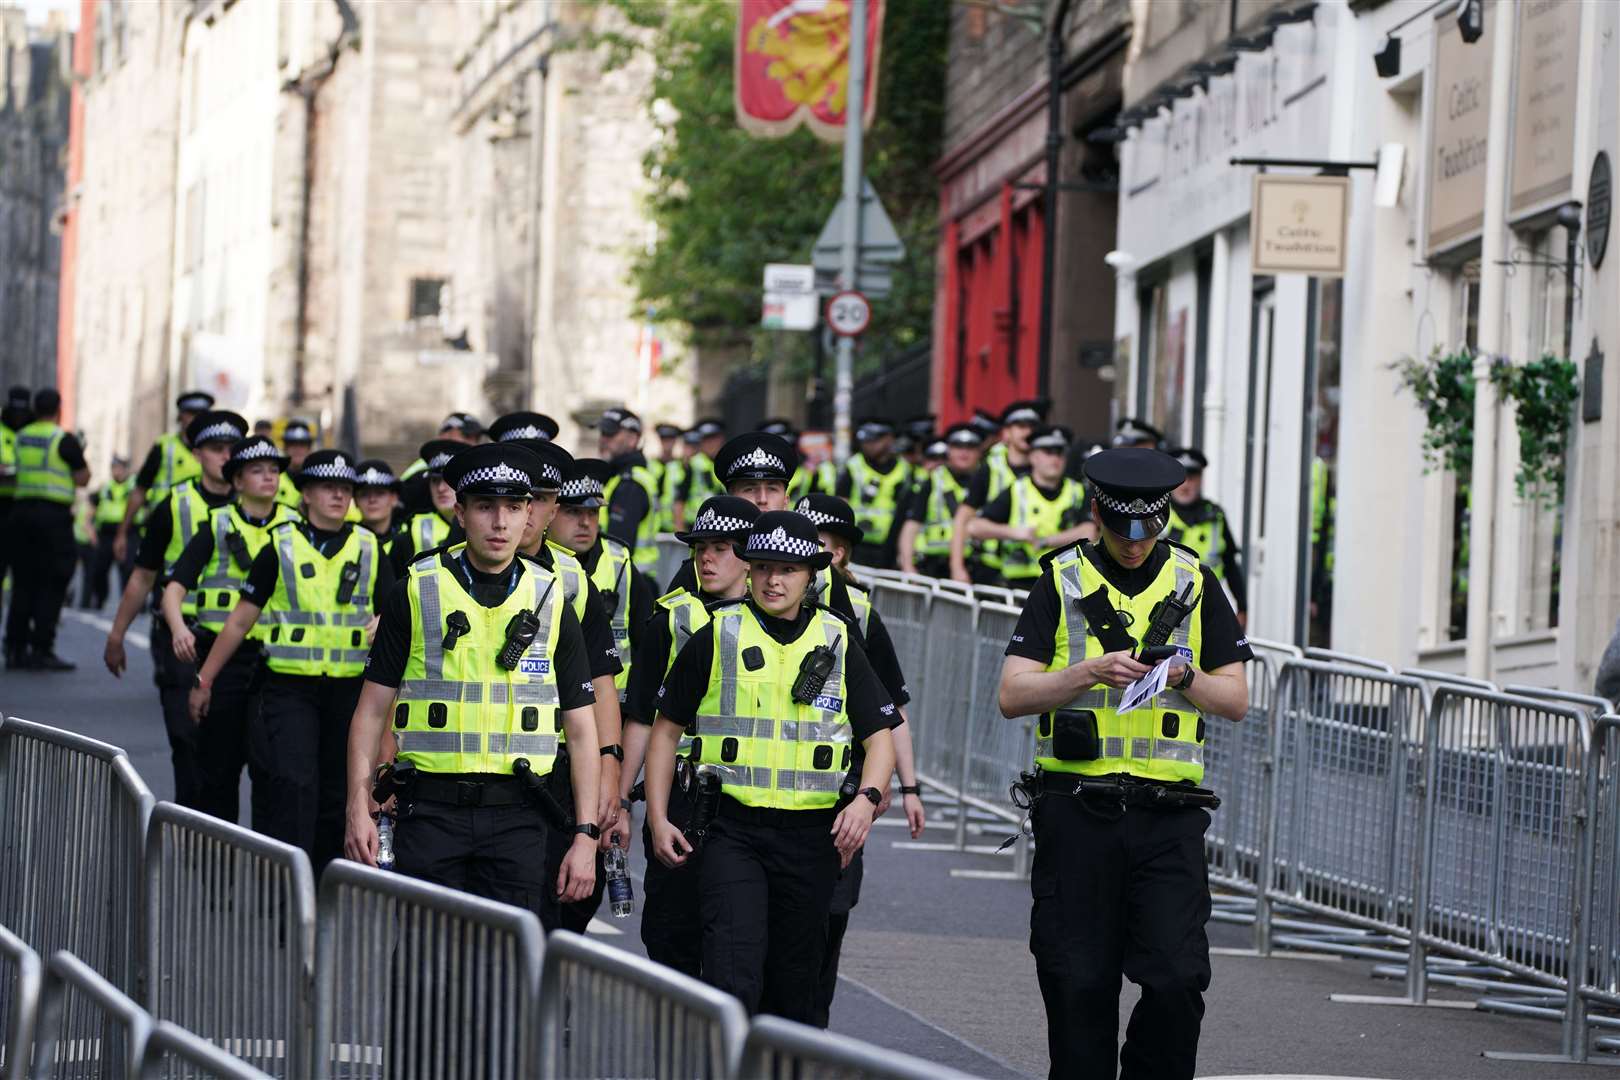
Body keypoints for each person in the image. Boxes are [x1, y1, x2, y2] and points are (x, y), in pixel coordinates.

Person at [996, 446, 1252, 1080]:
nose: (1135, 543)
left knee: (1176, 977)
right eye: (1121, 528)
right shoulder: (1060, 580)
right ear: (1096, 513)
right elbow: (1012, 695)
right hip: (1078, 812)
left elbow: (1237, 700)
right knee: (1077, 980)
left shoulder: (1195, 581)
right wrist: (1085, 673)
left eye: (1149, 527)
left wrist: (1186, 675)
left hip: (1169, 818)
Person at [645, 510, 897, 1024]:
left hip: (811, 839)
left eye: (786, 569)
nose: (773, 579)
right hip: (730, 831)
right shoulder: (718, 634)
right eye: (761, 567)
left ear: (811, 576)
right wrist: (656, 817)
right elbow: (665, 731)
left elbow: (880, 738)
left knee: (794, 988)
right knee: (732, 973)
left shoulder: (839, 638)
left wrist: (867, 802)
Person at [344, 442, 601, 929]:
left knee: (506, 974)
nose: (500, 522)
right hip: (430, 814)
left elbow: (582, 728)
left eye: (513, 507)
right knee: (425, 972)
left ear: (529, 513)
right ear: (460, 512)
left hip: (521, 816)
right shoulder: (417, 589)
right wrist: (358, 806)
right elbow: (370, 712)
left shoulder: (550, 598)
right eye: (485, 507)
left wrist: (586, 835)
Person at [188, 450, 394, 870]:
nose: (339, 496)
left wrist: (383, 619)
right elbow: (239, 622)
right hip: (288, 689)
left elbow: (396, 612)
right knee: (294, 786)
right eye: (327, 487)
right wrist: (204, 680)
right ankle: (290, 891)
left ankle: (325, 886)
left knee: (339, 792)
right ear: (306, 494)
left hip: (348, 691)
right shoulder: (280, 545)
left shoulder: (369, 547)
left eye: (345, 489)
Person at [794, 493, 926, 1027]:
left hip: (843, 791)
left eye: (822, 547)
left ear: (841, 554)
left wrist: (908, 786)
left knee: (828, 921)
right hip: (770, 794)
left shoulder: (860, 614)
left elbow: (890, 710)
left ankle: (810, 1036)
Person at [493, 431, 628, 930]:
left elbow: (602, 682)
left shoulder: (573, 580)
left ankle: (545, 1009)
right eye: (520, 500)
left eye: (543, 501)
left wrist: (610, 768)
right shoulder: (449, 569)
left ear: (551, 509)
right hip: (478, 767)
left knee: (563, 910)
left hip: (561, 767)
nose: (527, 514)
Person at [622, 494, 760, 977]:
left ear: (752, 556)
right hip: (679, 794)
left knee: (735, 946)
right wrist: (620, 802)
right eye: (700, 546)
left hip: (751, 799)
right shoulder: (670, 619)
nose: (705, 557)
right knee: (670, 936)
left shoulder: (788, 623)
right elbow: (640, 716)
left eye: (721, 547)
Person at [103, 410, 246, 802]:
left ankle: (221, 836)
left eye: (233, 449)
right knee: (186, 739)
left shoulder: (258, 507)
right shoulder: (175, 503)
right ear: (198, 453)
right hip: (182, 637)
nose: (226, 456)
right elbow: (143, 575)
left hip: (238, 643)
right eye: (217, 449)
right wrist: (116, 635)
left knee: (227, 753)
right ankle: (190, 826)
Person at [160, 435, 300, 822]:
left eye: (274, 470)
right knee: (218, 767)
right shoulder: (217, 524)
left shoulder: (295, 526)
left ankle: (266, 859)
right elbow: (173, 589)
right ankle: (216, 859)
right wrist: (178, 630)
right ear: (237, 481)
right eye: (257, 470)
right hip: (223, 660)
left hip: (275, 661)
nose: (269, 478)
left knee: (270, 768)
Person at [551, 458, 652, 710]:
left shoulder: (620, 561)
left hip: (615, 713)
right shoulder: (533, 564)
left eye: (592, 512)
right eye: (573, 512)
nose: (585, 522)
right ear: (551, 512)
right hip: (551, 722)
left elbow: (647, 645)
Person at [5, 389, 91, 670]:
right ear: (59, 410)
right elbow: (83, 478)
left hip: (20, 515)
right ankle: (42, 647)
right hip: (52, 519)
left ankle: (15, 647)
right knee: (53, 582)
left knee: (23, 582)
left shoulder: (21, 436)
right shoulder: (62, 440)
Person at [969, 426, 1094, 585]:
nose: (1055, 459)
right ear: (1033, 456)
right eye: (1048, 452)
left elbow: (1089, 532)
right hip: (1020, 582)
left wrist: (1044, 541)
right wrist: (1014, 532)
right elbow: (975, 527)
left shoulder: (1078, 491)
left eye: (1060, 453)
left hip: (1066, 581)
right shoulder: (1017, 490)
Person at [951, 399, 1046, 584]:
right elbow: (963, 518)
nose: (1028, 432)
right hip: (989, 567)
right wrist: (957, 567)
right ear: (1006, 434)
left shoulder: (1045, 470)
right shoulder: (990, 468)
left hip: (1032, 570)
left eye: (1032, 426)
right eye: (1020, 426)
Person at [115, 390, 213, 565]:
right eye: (191, 413)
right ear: (180, 416)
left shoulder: (217, 451)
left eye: (202, 415)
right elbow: (139, 490)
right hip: (163, 532)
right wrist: (122, 532)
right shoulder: (164, 446)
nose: (196, 419)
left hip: (203, 534)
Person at [1167, 447, 1247, 628]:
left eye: (1192, 477)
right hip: (1164, 606)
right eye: (1181, 478)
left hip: (1208, 605)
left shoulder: (1215, 516)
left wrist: (1242, 607)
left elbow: (1230, 564)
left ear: (1201, 479)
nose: (1186, 484)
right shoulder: (1158, 513)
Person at [898, 423, 984, 579]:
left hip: (976, 567)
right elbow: (911, 525)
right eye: (958, 446)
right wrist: (908, 566)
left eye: (970, 447)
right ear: (948, 449)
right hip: (934, 567)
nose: (964, 452)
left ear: (979, 451)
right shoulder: (934, 480)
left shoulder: (987, 479)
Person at [833, 418, 912, 570]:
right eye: (865, 441)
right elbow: (840, 506)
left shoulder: (905, 470)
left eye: (874, 440)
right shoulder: (854, 466)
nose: (868, 445)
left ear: (889, 439)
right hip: (857, 545)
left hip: (890, 545)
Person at [597, 406, 661, 580]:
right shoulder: (620, 476)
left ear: (633, 439)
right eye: (602, 432)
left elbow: (617, 546)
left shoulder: (630, 483)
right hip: (631, 578)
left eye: (610, 433)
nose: (603, 439)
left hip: (627, 581)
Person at [390, 439, 468, 575]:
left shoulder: (486, 524)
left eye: (447, 481)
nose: (441, 488)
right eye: (435, 481)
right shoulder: (410, 532)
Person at [86, 454, 136, 608]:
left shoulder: (134, 487)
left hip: (129, 532)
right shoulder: (105, 488)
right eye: (114, 468)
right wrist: (90, 529)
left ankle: (130, 603)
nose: (116, 471)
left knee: (128, 570)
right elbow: (90, 511)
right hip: (106, 534)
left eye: (119, 468)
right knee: (99, 569)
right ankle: (100, 598)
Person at [0, 386, 29, 609]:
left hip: (24, 505)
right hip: (2, 504)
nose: (18, 417)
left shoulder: (32, 432)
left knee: (23, 570)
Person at [674, 418, 725, 529]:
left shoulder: (727, 463)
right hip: (695, 526)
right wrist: (680, 530)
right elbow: (679, 501)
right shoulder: (694, 465)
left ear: (721, 439)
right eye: (706, 439)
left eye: (713, 438)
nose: (710, 444)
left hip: (722, 525)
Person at [353, 459, 402, 550]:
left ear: (394, 498)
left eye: (380, 493)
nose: (372, 500)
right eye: (364, 494)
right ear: (355, 501)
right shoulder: (347, 541)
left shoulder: (409, 538)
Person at [274, 418, 316, 510]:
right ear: (284, 448)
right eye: (292, 444)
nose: (298, 449)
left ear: (310, 449)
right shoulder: (273, 479)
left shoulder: (317, 482)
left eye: (302, 444)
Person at [652, 422, 686, 533]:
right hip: (653, 527)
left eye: (670, 439)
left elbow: (682, 498)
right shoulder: (650, 465)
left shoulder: (682, 466)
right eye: (664, 439)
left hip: (674, 527)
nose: (667, 443)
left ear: (675, 441)